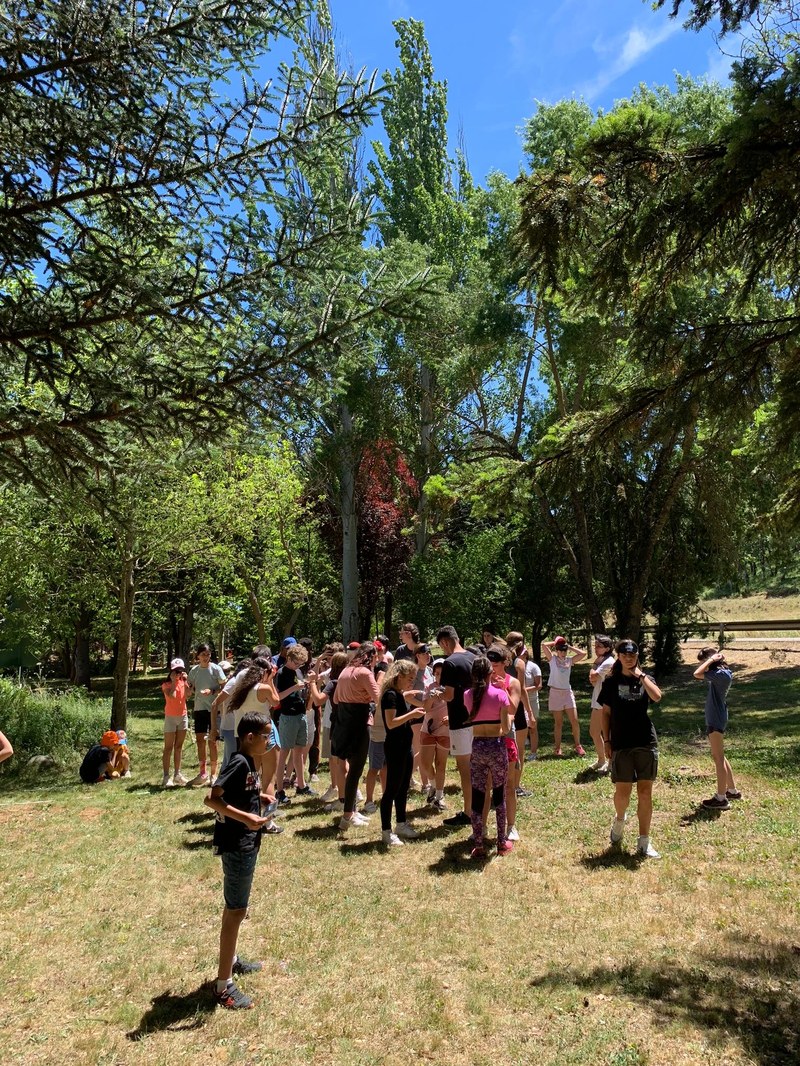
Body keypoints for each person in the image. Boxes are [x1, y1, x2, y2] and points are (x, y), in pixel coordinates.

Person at [204, 711, 273, 1009]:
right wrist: (246, 817)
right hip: (237, 845)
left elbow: (239, 793)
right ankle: (224, 986)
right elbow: (212, 798)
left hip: (246, 842)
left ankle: (231, 960)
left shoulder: (248, 762)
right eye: (265, 735)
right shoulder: (238, 762)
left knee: (236, 909)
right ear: (249, 737)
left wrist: (260, 800)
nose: (269, 740)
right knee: (236, 911)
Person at [600, 639, 663, 859]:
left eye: (633, 655)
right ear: (618, 656)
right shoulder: (610, 682)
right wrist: (606, 742)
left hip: (645, 741)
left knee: (645, 792)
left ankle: (644, 842)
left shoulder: (646, 679)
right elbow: (605, 714)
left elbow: (657, 696)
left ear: (637, 656)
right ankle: (619, 819)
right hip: (621, 742)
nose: (629, 658)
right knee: (622, 792)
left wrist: (642, 676)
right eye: (625, 655)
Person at [463, 655, 513, 859]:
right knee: (499, 794)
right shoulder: (499, 695)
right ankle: (501, 842)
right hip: (496, 745)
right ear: (490, 673)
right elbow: (506, 727)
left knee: (477, 795)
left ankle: (478, 843)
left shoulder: (467, 695)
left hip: (477, 746)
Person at [331, 641, 380, 831]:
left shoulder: (345, 671)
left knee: (349, 769)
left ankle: (351, 810)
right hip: (359, 724)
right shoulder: (365, 673)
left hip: (342, 723)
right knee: (355, 771)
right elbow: (378, 698)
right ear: (371, 656)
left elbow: (335, 699)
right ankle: (347, 816)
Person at [378, 660, 426, 845]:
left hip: (405, 745)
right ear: (399, 676)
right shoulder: (390, 695)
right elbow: (391, 722)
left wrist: (407, 694)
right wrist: (412, 715)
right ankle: (386, 831)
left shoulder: (397, 693)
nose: (412, 682)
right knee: (391, 789)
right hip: (395, 746)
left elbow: (400, 697)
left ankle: (401, 823)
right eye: (410, 679)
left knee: (403, 787)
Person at [437, 626, 476, 827]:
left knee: (465, 768)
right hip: (478, 719)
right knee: (479, 766)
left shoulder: (450, 663)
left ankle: (469, 812)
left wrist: (437, 694)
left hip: (459, 721)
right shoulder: (474, 657)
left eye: (442, 647)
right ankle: (481, 807)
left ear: (445, 642)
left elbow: (449, 695)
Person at [694, 647, 741, 810]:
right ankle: (732, 791)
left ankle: (721, 798)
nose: (704, 665)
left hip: (716, 717)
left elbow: (696, 674)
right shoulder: (721, 674)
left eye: (704, 662)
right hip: (717, 715)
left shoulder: (721, 675)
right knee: (719, 755)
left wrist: (711, 659)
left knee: (718, 758)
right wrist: (711, 660)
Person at [274, 643, 313, 802]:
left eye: (300, 664)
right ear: (289, 658)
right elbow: (278, 697)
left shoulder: (297, 671)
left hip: (300, 714)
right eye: (296, 662)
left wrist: (306, 683)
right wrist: (295, 687)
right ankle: (279, 790)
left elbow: (300, 690)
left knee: (299, 752)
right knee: (284, 753)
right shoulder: (281, 673)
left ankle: (301, 786)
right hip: (288, 716)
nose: (298, 666)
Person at [188, 644, 227, 786]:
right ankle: (202, 773)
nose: (206, 657)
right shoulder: (194, 671)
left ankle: (213, 774)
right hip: (199, 709)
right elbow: (190, 687)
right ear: (197, 656)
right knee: (200, 741)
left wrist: (211, 692)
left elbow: (224, 687)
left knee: (213, 742)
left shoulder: (216, 669)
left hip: (213, 709)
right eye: (203, 654)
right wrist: (189, 690)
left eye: (208, 654)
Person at [541, 636, 587, 757]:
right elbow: (544, 645)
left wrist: (569, 646)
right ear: (556, 650)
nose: (562, 652)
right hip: (555, 693)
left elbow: (583, 653)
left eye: (564, 650)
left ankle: (578, 746)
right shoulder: (552, 659)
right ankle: (557, 748)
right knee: (558, 723)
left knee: (575, 721)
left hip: (567, 693)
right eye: (560, 650)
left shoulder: (570, 660)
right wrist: (556, 642)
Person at [418, 658, 449, 811]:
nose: (438, 677)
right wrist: (431, 696)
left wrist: (451, 718)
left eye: (442, 674)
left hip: (445, 730)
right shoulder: (429, 687)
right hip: (428, 728)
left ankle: (439, 796)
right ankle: (433, 785)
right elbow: (426, 708)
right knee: (424, 763)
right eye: (436, 674)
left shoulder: (451, 689)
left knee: (440, 764)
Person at [588, 635, 616, 773]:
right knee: (594, 732)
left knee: (608, 734)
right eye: (595, 645)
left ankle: (610, 762)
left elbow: (593, 677)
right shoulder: (602, 661)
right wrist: (594, 669)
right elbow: (592, 680)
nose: (596, 648)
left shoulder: (608, 662)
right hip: (597, 700)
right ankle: (601, 760)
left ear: (607, 648)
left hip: (606, 703)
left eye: (599, 646)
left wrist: (594, 665)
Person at [161, 657, 190, 787]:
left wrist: (187, 680)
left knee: (178, 747)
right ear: (171, 671)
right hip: (170, 717)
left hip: (182, 716)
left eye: (180, 671)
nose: (178, 673)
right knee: (168, 748)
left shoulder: (184, 682)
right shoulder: (166, 685)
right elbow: (172, 696)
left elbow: (189, 695)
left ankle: (177, 774)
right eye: (176, 671)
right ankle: (166, 776)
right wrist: (173, 681)